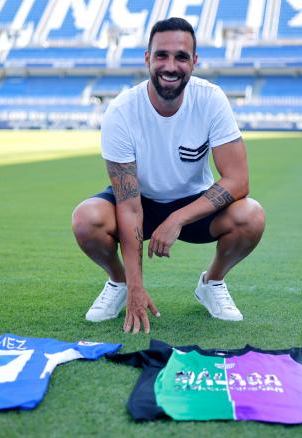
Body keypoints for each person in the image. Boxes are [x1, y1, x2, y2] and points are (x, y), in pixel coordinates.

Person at [71, 17, 265, 334]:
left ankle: (211, 282)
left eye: (181, 57)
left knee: (251, 216)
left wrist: (177, 219)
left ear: (194, 62)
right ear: (147, 58)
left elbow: (238, 181)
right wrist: (136, 285)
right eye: (161, 55)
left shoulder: (211, 99)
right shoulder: (122, 111)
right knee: (86, 219)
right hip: (138, 201)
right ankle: (118, 283)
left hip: (195, 203)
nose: (170, 66)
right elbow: (130, 207)